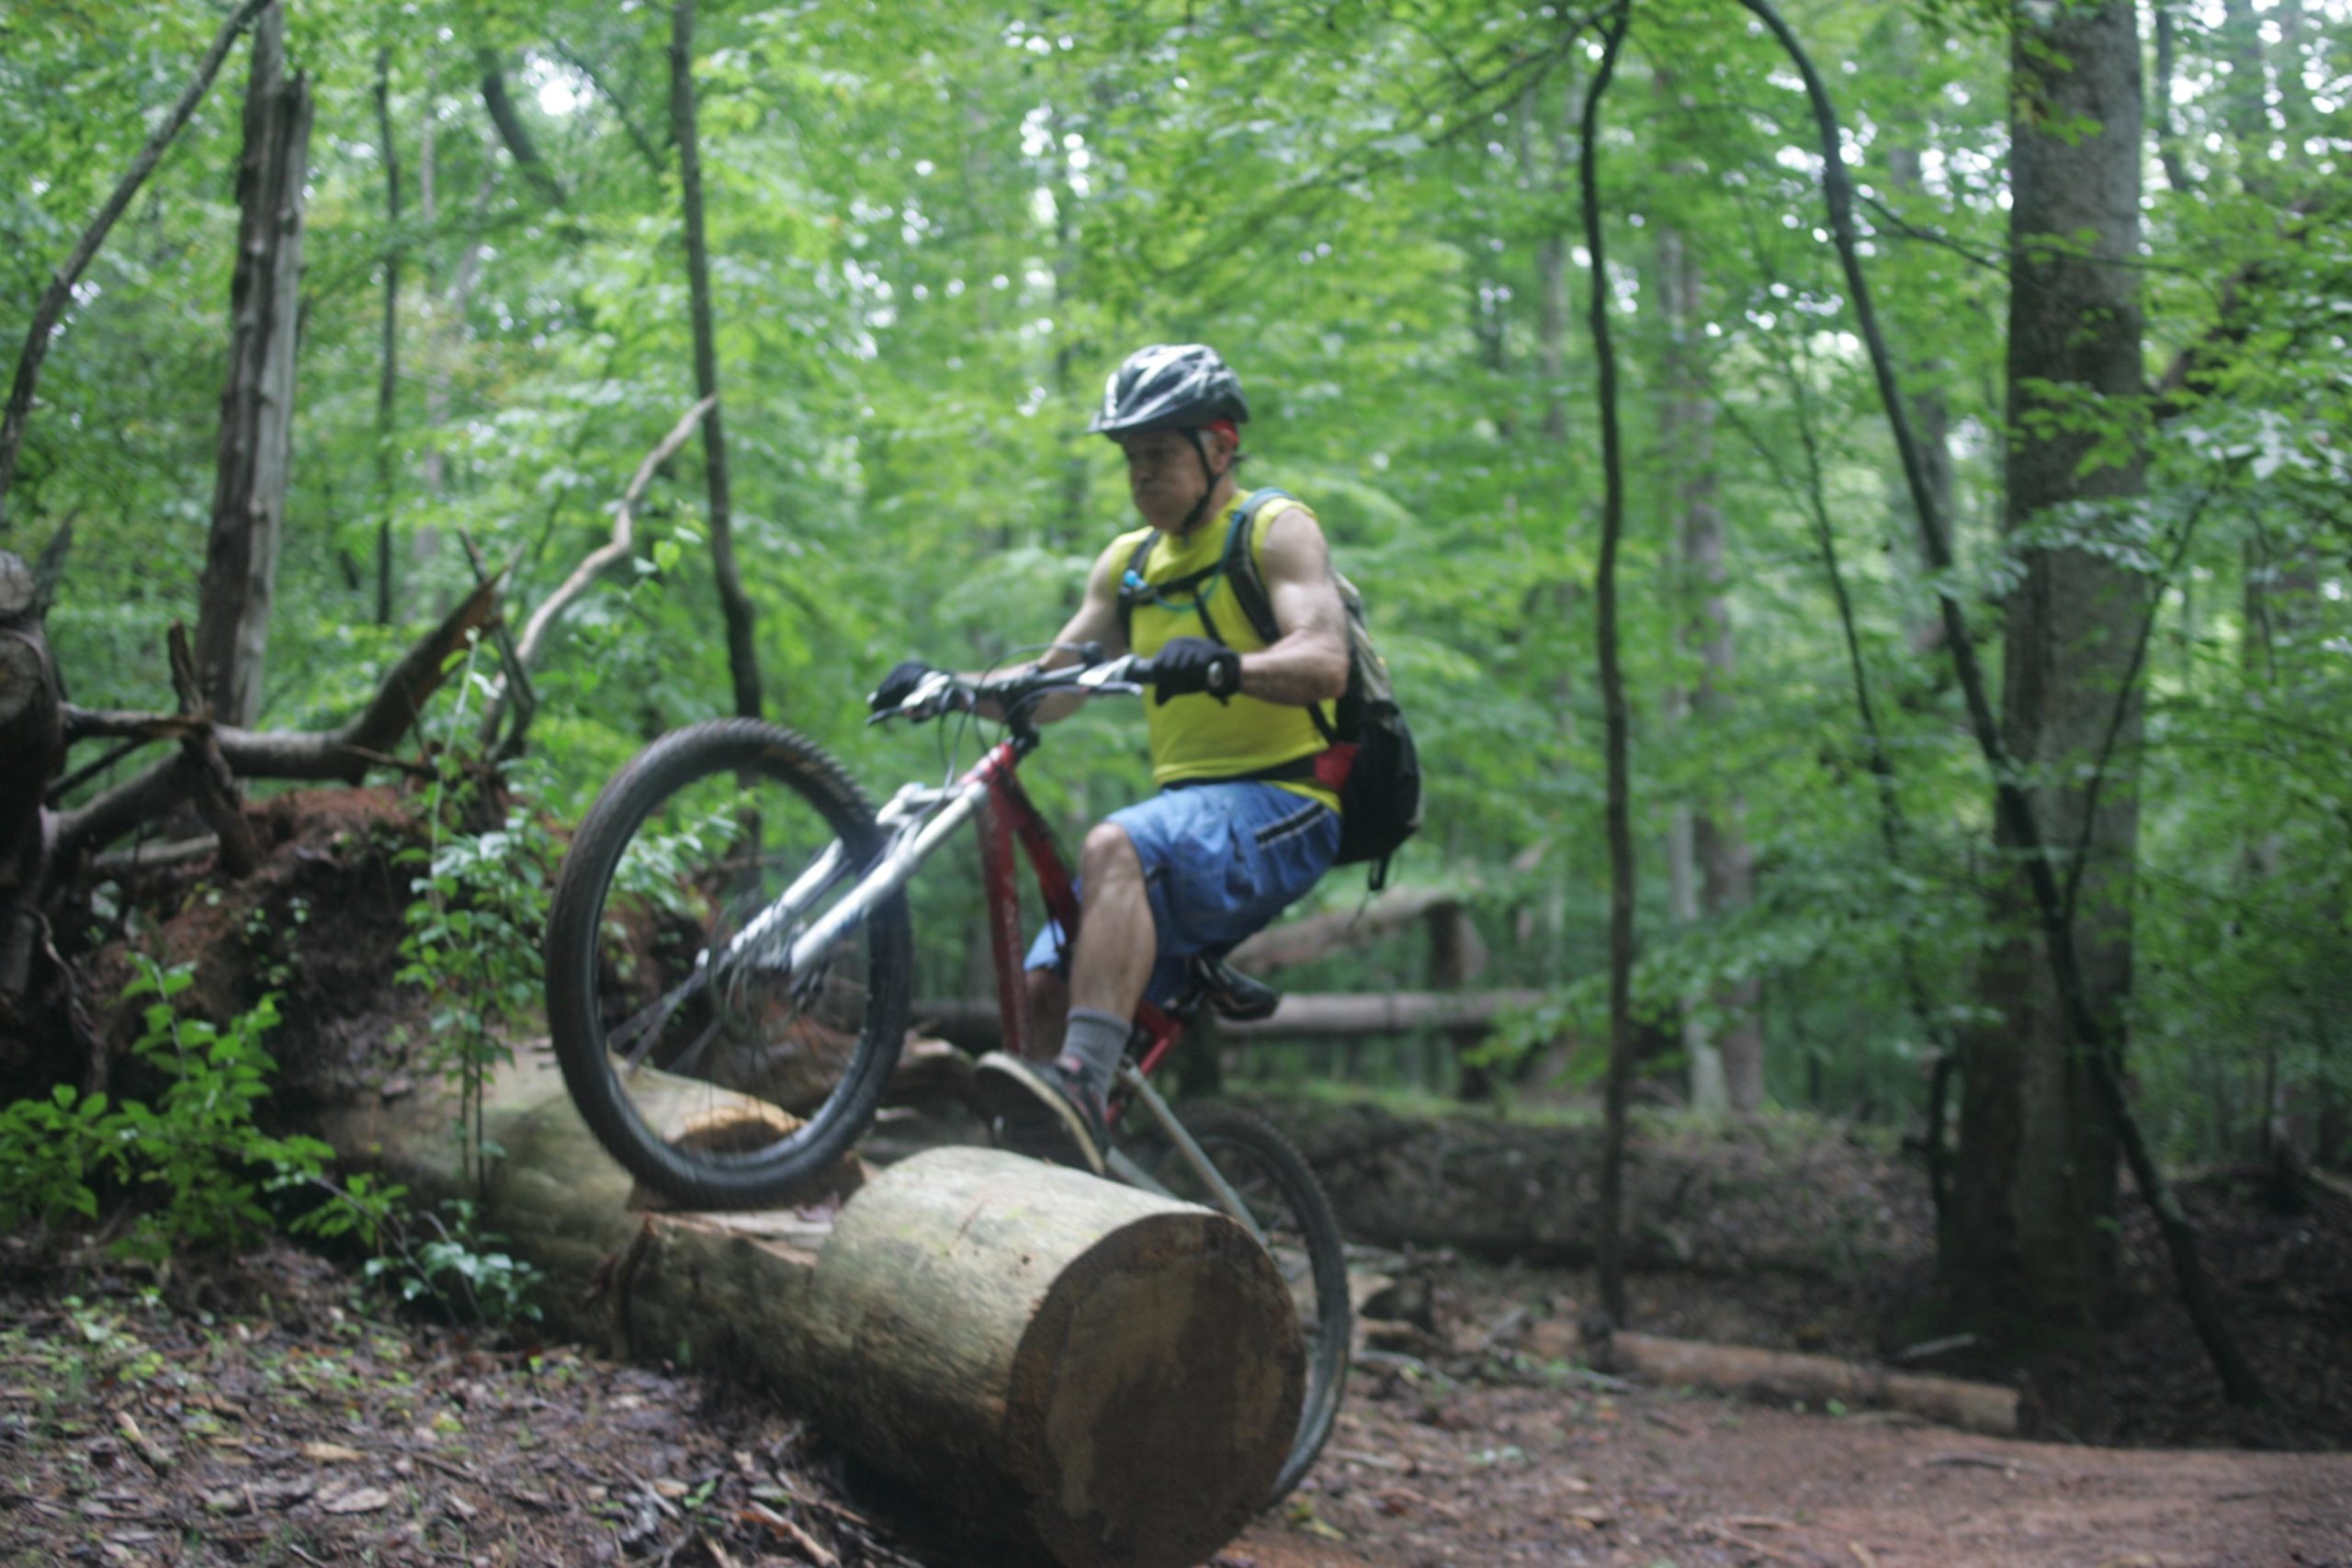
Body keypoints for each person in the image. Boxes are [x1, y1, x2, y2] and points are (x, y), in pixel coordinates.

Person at [868, 344, 1352, 1174]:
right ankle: (1069, 1171)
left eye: (1158, 455)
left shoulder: (1274, 531)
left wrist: (1223, 664)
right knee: (1043, 988)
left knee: (1113, 844)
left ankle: (1083, 1088)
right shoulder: (1129, 567)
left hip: (1289, 805)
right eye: (1131, 459)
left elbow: (1324, 659)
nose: (1140, 476)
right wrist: (951, 687)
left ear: (1221, 448)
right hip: (1191, 828)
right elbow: (1050, 689)